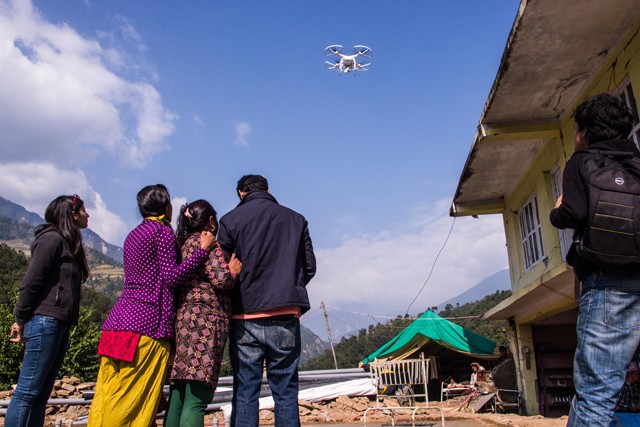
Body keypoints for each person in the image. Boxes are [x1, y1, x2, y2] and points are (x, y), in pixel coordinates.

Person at [88, 185, 216, 427]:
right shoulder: (162, 232)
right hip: (146, 327)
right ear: (165, 205)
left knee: (106, 394)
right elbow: (171, 278)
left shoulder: (133, 234)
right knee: (131, 400)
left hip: (117, 323)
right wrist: (202, 252)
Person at [550, 93, 640, 427]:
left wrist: (557, 210)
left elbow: (573, 213)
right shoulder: (637, 161)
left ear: (584, 132)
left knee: (596, 395)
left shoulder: (583, 161)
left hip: (609, 286)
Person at [217, 174, 316, 427]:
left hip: (245, 315)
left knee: (246, 391)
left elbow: (222, 271)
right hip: (285, 314)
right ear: (268, 189)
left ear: (241, 193)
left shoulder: (229, 221)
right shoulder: (296, 219)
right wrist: (287, 289)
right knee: (285, 391)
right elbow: (310, 267)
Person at [6, 194, 90, 426]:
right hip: (45, 321)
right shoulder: (51, 239)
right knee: (28, 390)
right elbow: (32, 280)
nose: (87, 214)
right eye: (83, 210)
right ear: (72, 215)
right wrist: (19, 317)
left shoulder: (66, 243)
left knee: (41, 394)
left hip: (58, 323)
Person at [164, 200, 242, 427]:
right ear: (210, 220)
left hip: (184, 323)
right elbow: (221, 279)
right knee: (197, 398)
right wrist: (234, 271)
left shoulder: (183, 244)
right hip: (206, 325)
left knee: (178, 392)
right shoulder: (206, 243)